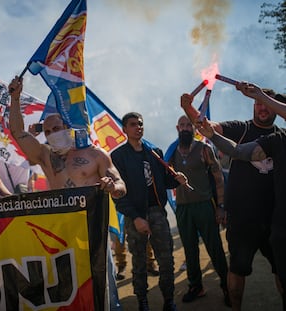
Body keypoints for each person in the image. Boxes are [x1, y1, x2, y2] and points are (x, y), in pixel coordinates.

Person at [8, 76, 127, 310]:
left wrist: (112, 187)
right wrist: (15, 98)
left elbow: (121, 184)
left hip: (93, 233)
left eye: (57, 128)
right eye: (49, 130)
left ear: (67, 127)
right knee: (71, 294)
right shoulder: (45, 156)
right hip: (62, 235)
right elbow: (17, 131)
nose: (53, 133)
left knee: (104, 292)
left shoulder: (94, 155)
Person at [181, 83, 282, 311]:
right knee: (237, 269)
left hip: (275, 218)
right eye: (258, 103)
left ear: (276, 108)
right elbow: (207, 127)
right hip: (242, 217)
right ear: (253, 106)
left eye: (267, 104)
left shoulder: (281, 137)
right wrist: (189, 109)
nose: (262, 108)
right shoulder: (241, 128)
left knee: (281, 270)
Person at [111, 112, 189, 311]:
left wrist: (176, 180)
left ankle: (168, 300)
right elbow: (118, 194)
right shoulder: (118, 156)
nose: (138, 127)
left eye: (140, 124)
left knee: (166, 259)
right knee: (139, 262)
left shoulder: (154, 151)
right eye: (133, 124)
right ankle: (142, 302)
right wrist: (136, 217)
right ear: (124, 129)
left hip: (157, 212)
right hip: (134, 215)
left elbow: (164, 181)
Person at [168, 115, 230, 306]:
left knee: (215, 248)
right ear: (177, 128)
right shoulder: (172, 152)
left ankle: (227, 286)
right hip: (183, 208)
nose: (186, 128)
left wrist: (220, 206)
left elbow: (218, 178)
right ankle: (196, 286)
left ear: (195, 128)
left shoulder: (204, 149)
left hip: (204, 205)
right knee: (189, 248)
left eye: (189, 125)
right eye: (182, 125)